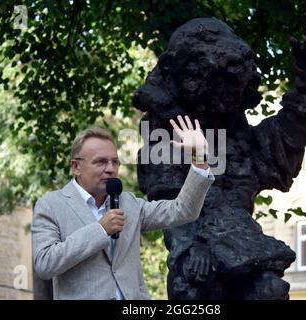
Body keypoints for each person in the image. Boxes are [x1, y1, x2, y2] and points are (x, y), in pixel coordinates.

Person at [31, 115, 214, 300]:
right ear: (76, 166)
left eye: (115, 162)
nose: (110, 169)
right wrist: (100, 230)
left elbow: (182, 211)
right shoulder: (51, 205)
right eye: (100, 162)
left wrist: (199, 158)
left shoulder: (129, 203)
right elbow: (45, 264)